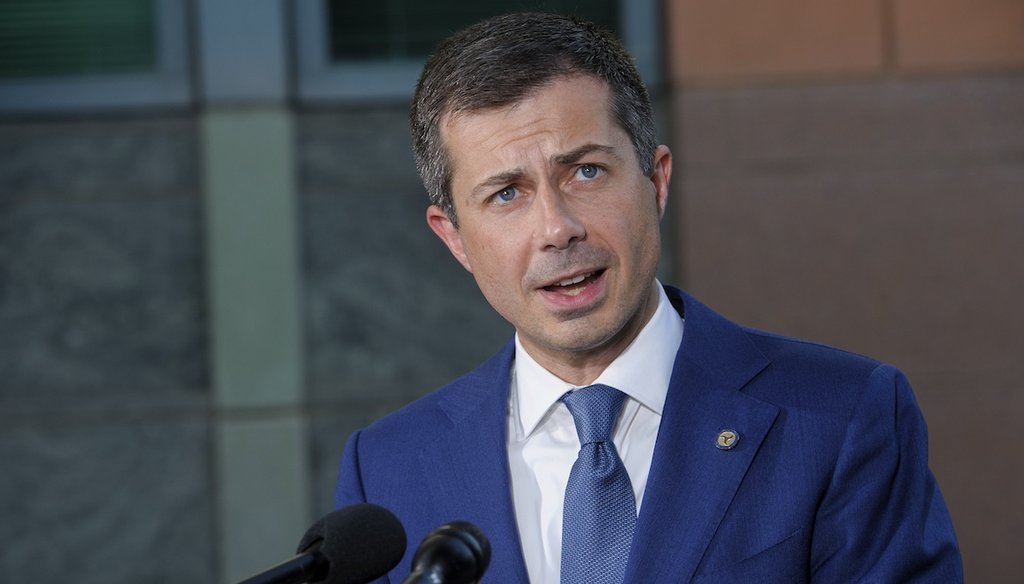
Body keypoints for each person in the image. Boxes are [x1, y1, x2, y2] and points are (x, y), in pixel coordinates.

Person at [334, 12, 962, 583]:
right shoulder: (388, 469)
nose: (557, 229)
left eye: (586, 171)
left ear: (656, 182)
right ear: (455, 239)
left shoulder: (840, 417)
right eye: (506, 194)